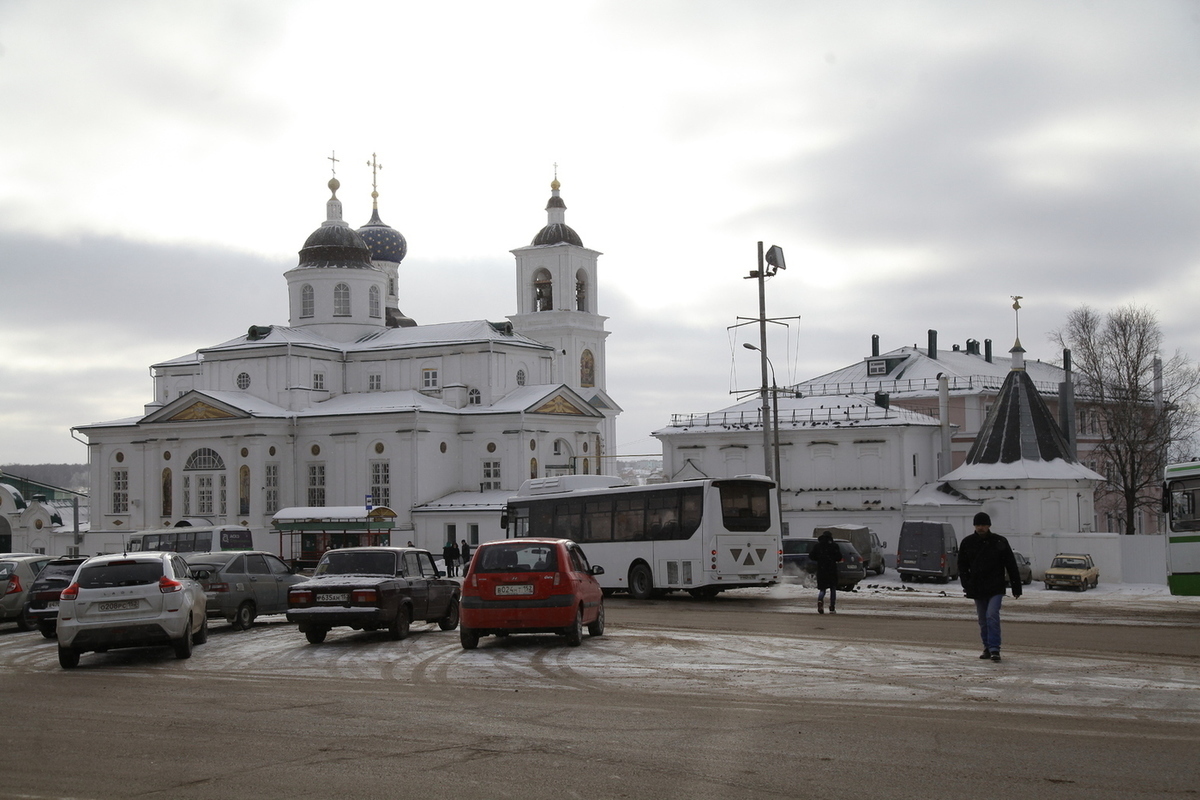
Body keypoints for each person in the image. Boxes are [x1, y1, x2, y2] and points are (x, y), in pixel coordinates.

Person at [957, 511, 1022, 662]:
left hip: (996, 587)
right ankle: (987, 647)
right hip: (977, 587)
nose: (981, 528)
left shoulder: (999, 542)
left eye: (984, 525)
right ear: (975, 526)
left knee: (991, 616)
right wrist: (966, 584)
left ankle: (994, 649)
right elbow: (962, 565)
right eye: (978, 525)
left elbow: (1011, 565)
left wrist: (1016, 587)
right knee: (982, 619)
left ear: (989, 526)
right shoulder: (968, 542)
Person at [809, 530, 843, 614]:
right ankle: (832, 606)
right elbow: (839, 557)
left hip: (821, 569)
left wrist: (819, 559)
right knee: (833, 588)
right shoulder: (834, 546)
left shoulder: (817, 546)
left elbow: (811, 556)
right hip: (831, 569)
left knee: (822, 589)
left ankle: (820, 600)